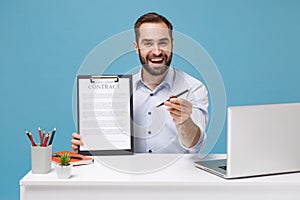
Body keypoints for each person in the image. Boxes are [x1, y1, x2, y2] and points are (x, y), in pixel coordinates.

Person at [71, 12, 209, 153]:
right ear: (136, 47)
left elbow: (195, 145)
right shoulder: (118, 91)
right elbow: (110, 147)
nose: (156, 51)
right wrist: (88, 146)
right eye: (148, 43)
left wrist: (185, 121)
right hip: (130, 174)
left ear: (172, 44)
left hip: (178, 174)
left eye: (163, 42)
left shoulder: (194, 88)